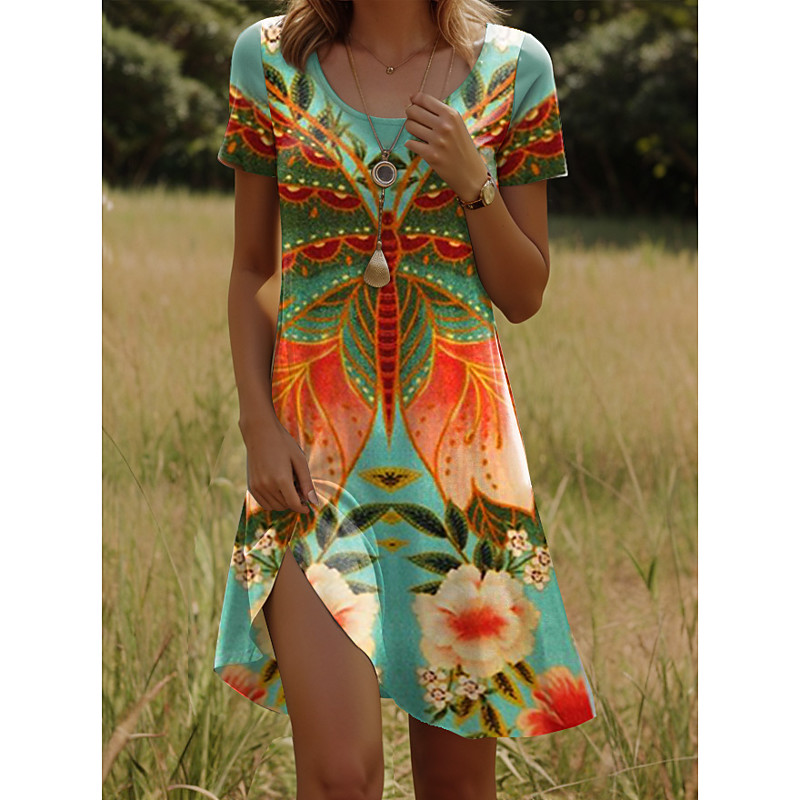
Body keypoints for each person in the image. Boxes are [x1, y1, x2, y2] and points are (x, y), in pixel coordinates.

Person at [213, 1, 597, 797]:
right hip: (312, 462)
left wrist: (474, 180)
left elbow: (523, 293)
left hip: (461, 472)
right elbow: (253, 266)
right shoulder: (268, 58)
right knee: (340, 777)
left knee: (457, 788)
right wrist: (257, 425)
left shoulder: (516, 68)